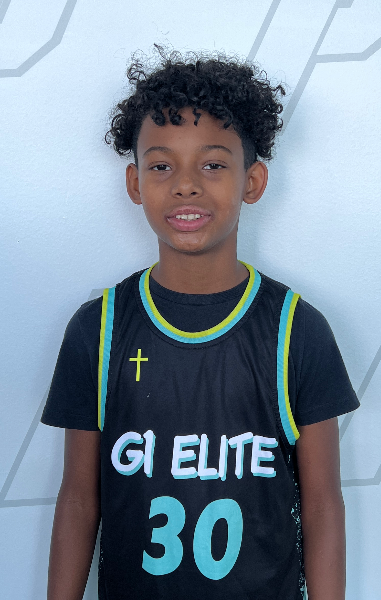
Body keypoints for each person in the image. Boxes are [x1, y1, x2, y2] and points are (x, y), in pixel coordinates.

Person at [41, 47, 359, 600]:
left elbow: (322, 504)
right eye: (161, 166)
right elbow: (78, 499)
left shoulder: (297, 330)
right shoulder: (98, 330)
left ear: (252, 181)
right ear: (135, 183)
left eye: (213, 165)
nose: (186, 185)